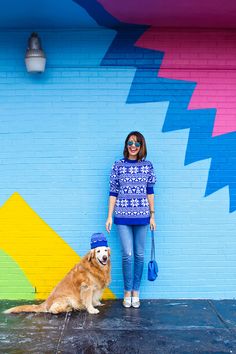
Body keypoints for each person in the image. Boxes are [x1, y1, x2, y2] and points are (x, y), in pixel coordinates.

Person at [106, 131, 156, 308]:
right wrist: (109, 216)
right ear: (126, 145)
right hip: (122, 216)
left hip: (142, 215)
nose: (133, 147)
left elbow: (150, 192)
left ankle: (136, 291)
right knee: (127, 255)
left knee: (139, 255)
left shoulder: (147, 166)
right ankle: (127, 291)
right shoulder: (118, 166)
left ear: (142, 146)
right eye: (130, 143)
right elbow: (113, 192)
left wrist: (152, 215)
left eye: (137, 144)